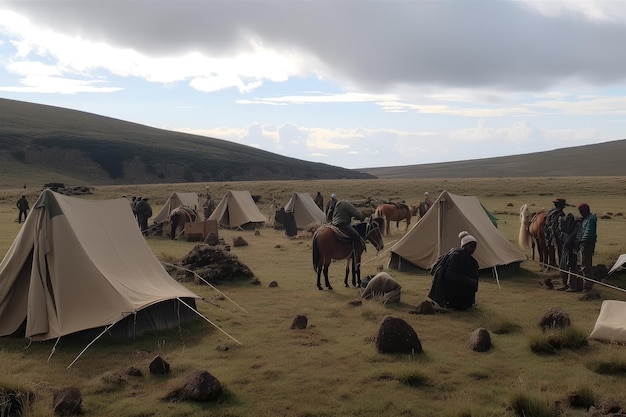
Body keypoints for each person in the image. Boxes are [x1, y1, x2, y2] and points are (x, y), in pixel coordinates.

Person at [428, 231, 479, 310]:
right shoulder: (455, 256)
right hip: (452, 289)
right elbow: (450, 275)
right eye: (471, 246)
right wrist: (468, 280)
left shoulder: (468, 258)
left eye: (475, 246)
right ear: (464, 246)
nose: (473, 249)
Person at [570, 203, 597, 292]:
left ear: (585, 211)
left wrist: (581, 241)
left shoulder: (590, 219)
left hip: (586, 244)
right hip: (585, 243)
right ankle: (585, 283)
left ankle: (587, 285)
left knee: (585, 264)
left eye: (581, 211)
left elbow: (588, 233)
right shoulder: (587, 218)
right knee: (584, 264)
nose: (580, 213)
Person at [545, 198, 567, 267]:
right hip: (556, 234)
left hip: (548, 233)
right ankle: (560, 266)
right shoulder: (560, 214)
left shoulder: (550, 212)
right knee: (559, 250)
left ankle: (551, 264)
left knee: (551, 250)